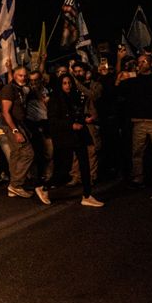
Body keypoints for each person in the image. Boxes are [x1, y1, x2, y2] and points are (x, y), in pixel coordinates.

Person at [117, 53, 152, 190]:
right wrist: (119, 79)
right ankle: (138, 178)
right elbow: (118, 91)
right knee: (137, 152)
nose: (141, 64)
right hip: (139, 121)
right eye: (139, 62)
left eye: (144, 61)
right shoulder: (133, 81)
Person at [48, 74, 104, 207]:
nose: (67, 86)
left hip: (78, 135)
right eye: (64, 83)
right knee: (64, 168)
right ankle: (44, 187)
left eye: (69, 83)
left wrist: (83, 119)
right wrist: (70, 125)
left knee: (85, 164)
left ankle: (87, 195)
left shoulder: (74, 97)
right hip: (65, 137)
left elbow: (78, 111)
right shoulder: (55, 100)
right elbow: (53, 120)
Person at [0, 66, 51, 205]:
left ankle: (14, 186)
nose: (23, 78)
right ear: (14, 76)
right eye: (20, 75)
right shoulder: (8, 89)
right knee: (28, 153)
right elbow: (6, 112)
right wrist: (15, 131)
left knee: (17, 153)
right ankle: (16, 184)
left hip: (21, 124)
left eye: (24, 76)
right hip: (11, 125)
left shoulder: (22, 88)